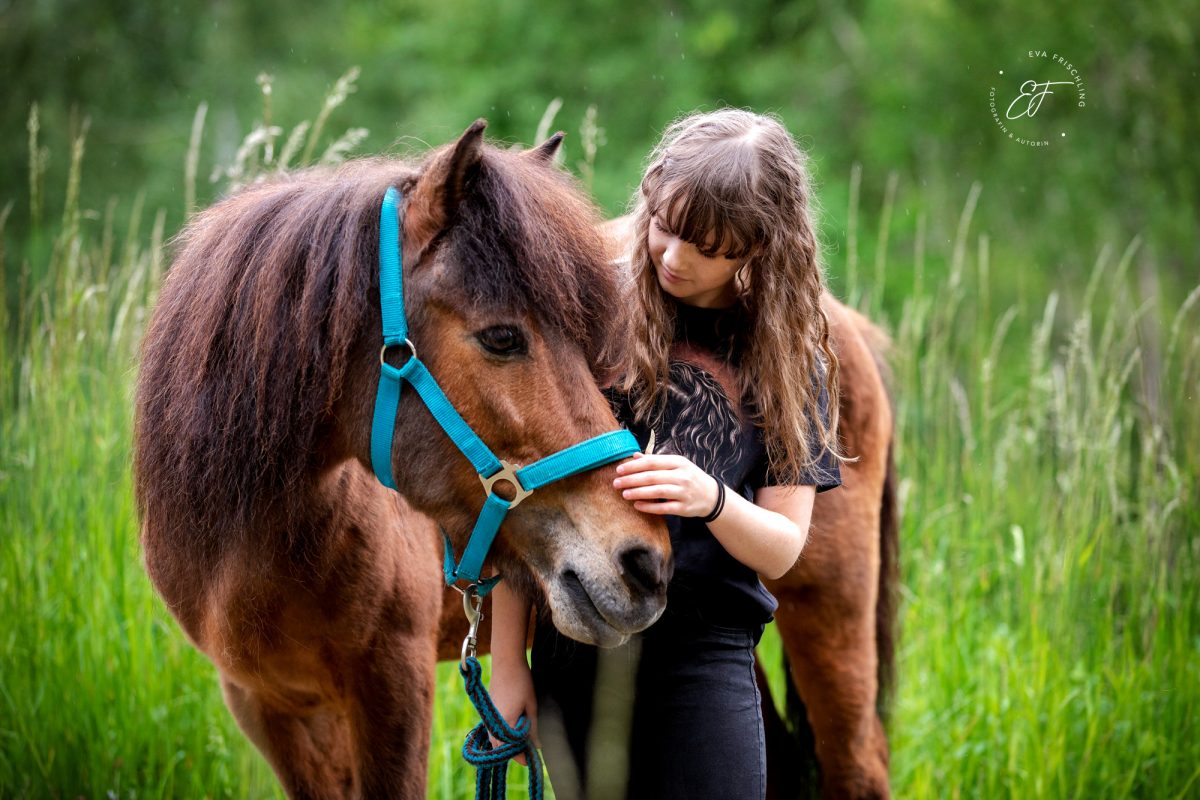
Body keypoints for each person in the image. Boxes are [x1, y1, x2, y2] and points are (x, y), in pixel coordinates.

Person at [488, 108, 847, 800]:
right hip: (577, 644)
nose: (675, 258)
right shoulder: (587, 317)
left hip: (706, 657)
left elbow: (782, 550)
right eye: (666, 227)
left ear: (759, 249)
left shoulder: (788, 361)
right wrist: (510, 665)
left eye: (710, 249)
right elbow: (525, 501)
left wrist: (710, 499)